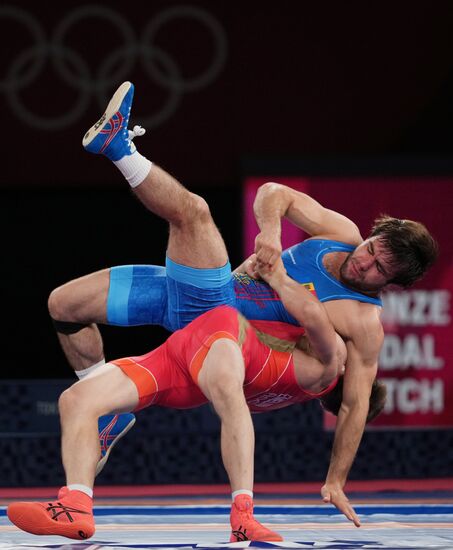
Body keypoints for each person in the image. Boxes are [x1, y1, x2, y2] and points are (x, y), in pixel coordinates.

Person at [47, 81, 438, 521]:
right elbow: (275, 193)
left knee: (193, 213)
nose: (364, 263)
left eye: (380, 269)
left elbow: (354, 406)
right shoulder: (342, 233)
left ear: (393, 283)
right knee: (65, 306)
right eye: (371, 248)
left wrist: (336, 480)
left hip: (215, 310)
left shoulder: (364, 323)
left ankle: (119, 147)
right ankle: (109, 417)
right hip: (187, 298)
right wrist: (271, 232)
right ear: (371, 234)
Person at [8, 257, 387, 541]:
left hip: (221, 342)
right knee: (76, 399)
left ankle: (243, 514)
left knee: (228, 388)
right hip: (187, 352)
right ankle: (77, 505)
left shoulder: (332, 363)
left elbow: (313, 314)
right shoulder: (304, 383)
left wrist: (275, 271)